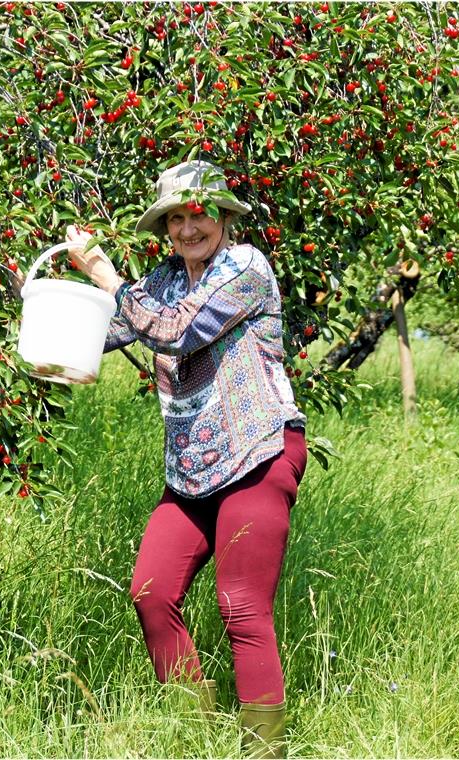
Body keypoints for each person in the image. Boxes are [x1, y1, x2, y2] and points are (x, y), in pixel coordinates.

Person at [65, 160, 307, 757]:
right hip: (193, 470)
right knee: (151, 588)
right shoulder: (168, 278)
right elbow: (119, 325)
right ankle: (193, 736)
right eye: (176, 217)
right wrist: (52, 313)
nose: (187, 227)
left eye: (198, 213)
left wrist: (105, 273)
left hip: (256, 451)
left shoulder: (245, 269)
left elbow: (175, 332)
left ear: (222, 216)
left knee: (241, 604)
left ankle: (262, 750)